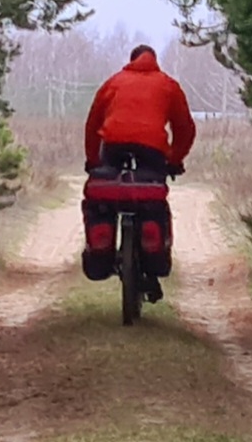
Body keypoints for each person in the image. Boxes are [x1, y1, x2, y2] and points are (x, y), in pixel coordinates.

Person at [80, 44, 197, 300]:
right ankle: (151, 256)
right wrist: (174, 159)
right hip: (152, 150)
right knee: (151, 203)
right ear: (155, 60)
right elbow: (185, 129)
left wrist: (93, 161)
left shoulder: (113, 82)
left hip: (113, 146)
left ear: (131, 60)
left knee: (105, 199)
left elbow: (92, 124)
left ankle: (102, 247)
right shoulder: (168, 85)